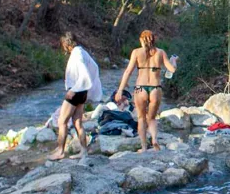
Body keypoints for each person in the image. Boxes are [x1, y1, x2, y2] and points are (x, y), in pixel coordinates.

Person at [115, 30, 178, 152]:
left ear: (141, 40)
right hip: (156, 88)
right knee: (152, 118)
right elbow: (172, 70)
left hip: (140, 88)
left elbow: (128, 72)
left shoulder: (136, 52)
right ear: (153, 40)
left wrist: (120, 90)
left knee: (141, 118)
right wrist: (173, 60)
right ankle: (154, 140)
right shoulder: (160, 52)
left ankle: (143, 147)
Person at [47, 32, 103, 160]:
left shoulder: (76, 54)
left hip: (76, 91)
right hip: (82, 92)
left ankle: (60, 151)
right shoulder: (82, 51)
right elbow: (94, 67)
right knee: (77, 122)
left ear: (67, 44)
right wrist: (91, 86)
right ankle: (84, 151)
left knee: (62, 121)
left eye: (63, 45)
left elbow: (84, 74)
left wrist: (74, 89)